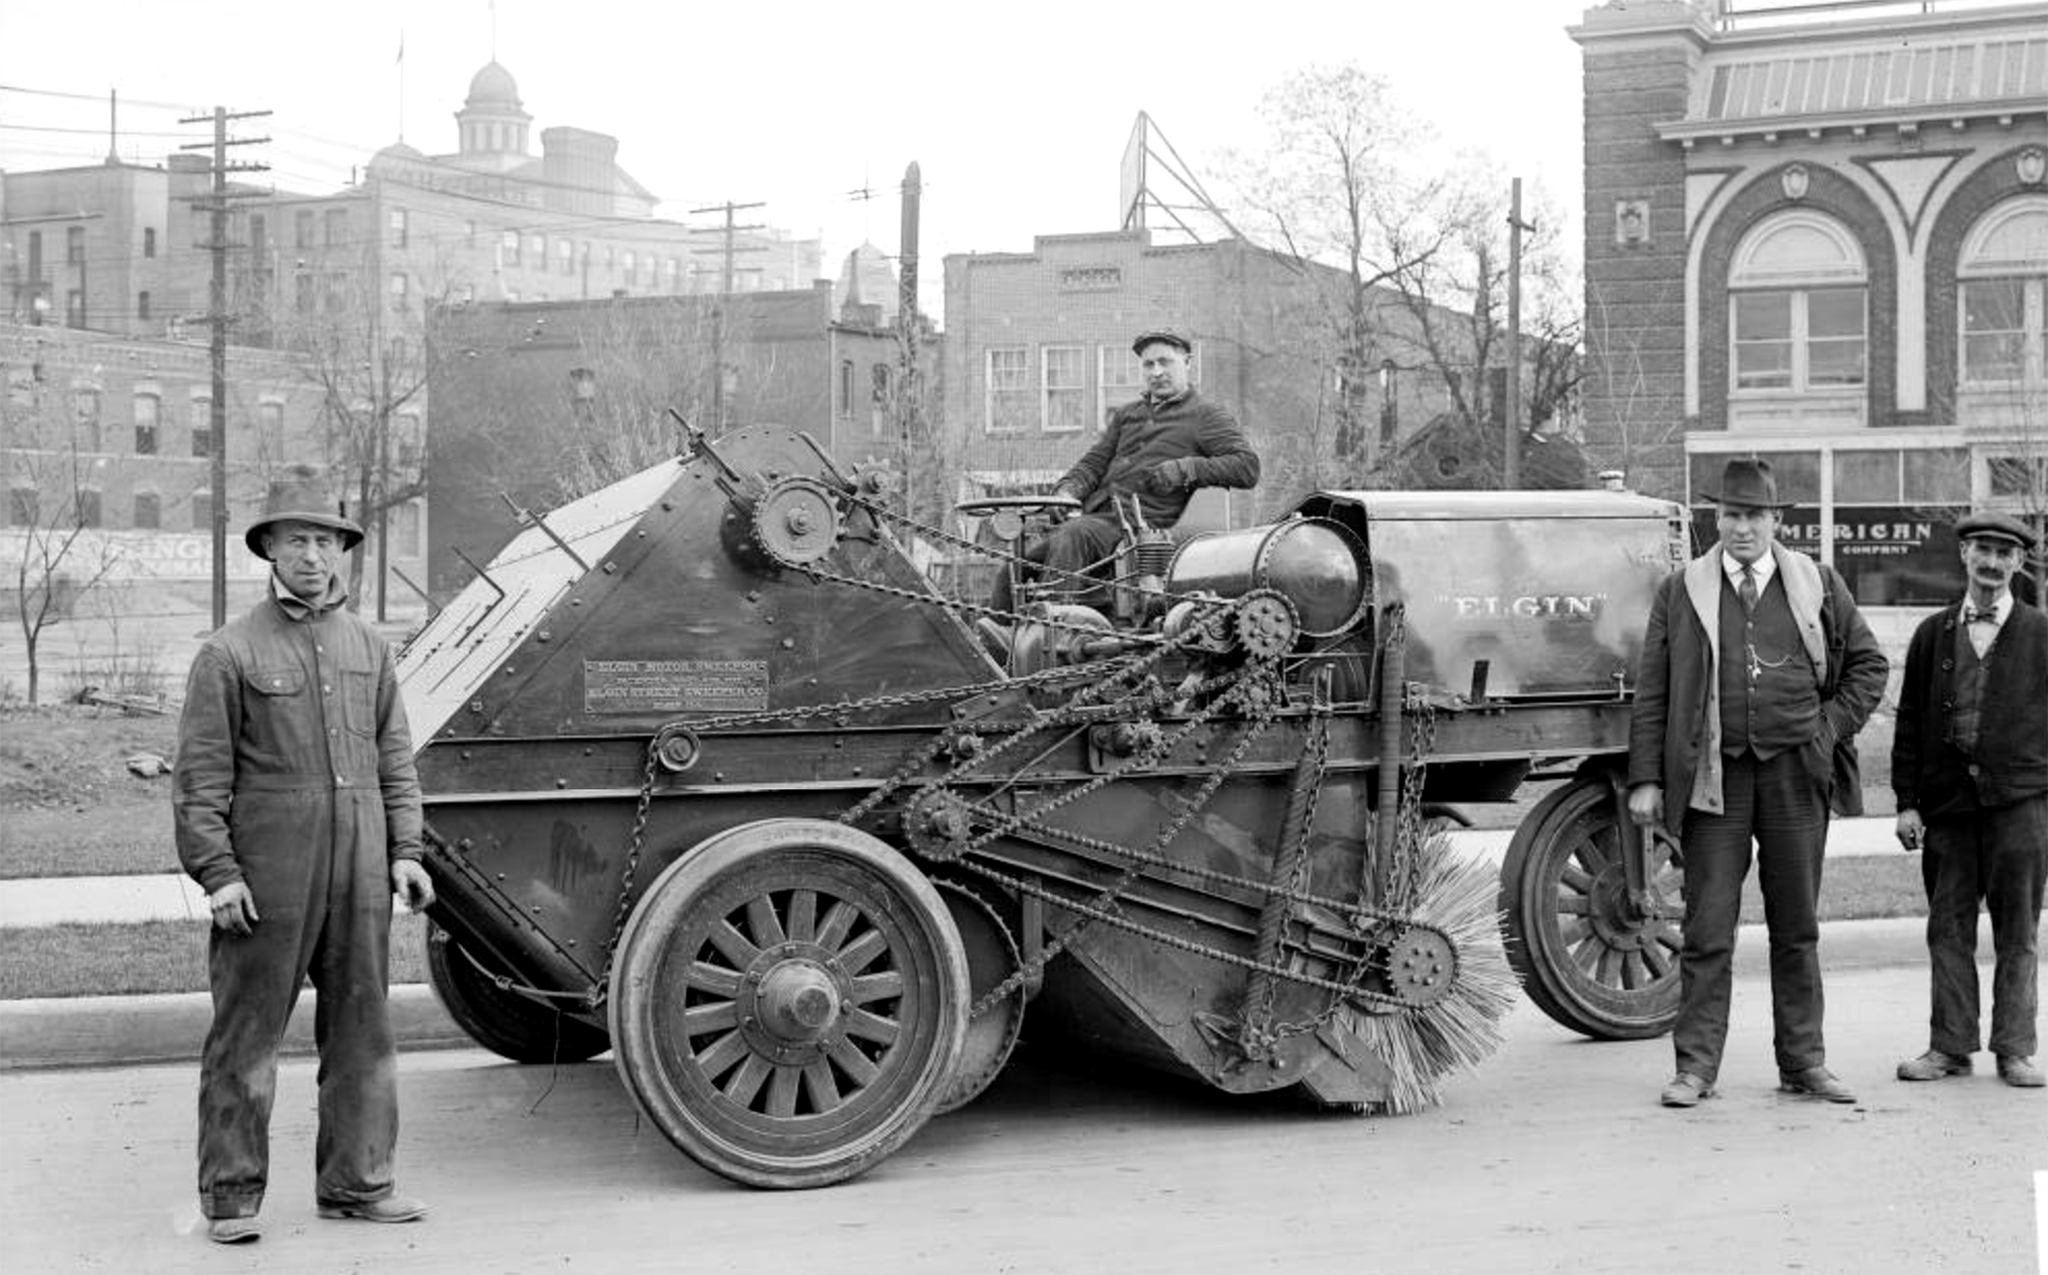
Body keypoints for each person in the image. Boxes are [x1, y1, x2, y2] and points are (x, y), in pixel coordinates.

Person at [172, 468, 435, 1244]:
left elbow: (396, 760)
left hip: (359, 869)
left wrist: (407, 850)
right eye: (297, 541)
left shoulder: (369, 648)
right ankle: (230, 1198)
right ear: (270, 551)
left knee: (363, 1033)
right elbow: (199, 780)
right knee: (246, 1037)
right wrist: (218, 873)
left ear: (343, 550)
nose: (313, 556)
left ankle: (357, 1184)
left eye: (326, 540)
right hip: (268, 877)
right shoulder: (228, 653)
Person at [1626, 456, 1887, 1109]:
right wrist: (1646, 779)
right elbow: (1653, 693)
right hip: (1716, 779)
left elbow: (1868, 666)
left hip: (1797, 776)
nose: (1742, 528)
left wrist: (1826, 730)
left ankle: (1803, 1062)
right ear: (1718, 518)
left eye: (1755, 515)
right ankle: (1695, 1068)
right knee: (1708, 926)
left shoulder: (1817, 582)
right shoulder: (1682, 589)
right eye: (1732, 514)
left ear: (1776, 520)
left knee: (1796, 925)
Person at [1890, 511, 2046, 1090]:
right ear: (1964, 556)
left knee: (2018, 931)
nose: (1991, 562)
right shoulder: (1933, 634)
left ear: (2018, 563)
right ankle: (1950, 1046)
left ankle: (2014, 1049)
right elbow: (1909, 721)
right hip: (1948, 808)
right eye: (1982, 549)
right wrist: (1907, 802)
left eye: (2004, 553)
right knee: (1948, 928)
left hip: (2021, 806)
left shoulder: (2040, 633)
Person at [988, 327, 1258, 615]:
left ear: (1187, 363)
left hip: (1143, 530)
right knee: (1012, 573)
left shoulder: (1206, 415)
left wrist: (1185, 469)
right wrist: (1067, 490)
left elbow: (1246, 466)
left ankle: (1053, 635)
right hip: (1097, 522)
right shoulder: (1128, 415)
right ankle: (1000, 647)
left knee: (1073, 535)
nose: (1156, 372)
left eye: (1165, 362)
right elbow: (1093, 464)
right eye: (1148, 364)